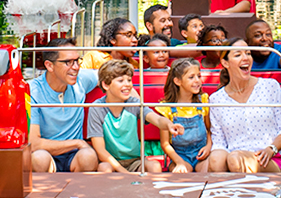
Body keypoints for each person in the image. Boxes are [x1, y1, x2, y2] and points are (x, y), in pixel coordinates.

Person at [86, 60, 180, 172]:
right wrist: (123, 172)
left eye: (129, 80)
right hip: (111, 161)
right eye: (121, 81)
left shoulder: (134, 103)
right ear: (106, 85)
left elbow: (156, 119)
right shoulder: (97, 108)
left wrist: (169, 125)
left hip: (135, 160)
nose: (127, 84)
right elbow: (100, 150)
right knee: (104, 168)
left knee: (154, 166)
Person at [207, 40, 281, 174]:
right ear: (225, 63)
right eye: (238, 55)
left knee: (236, 159)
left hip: (269, 156)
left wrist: (271, 149)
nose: (245, 58)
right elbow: (219, 142)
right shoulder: (216, 99)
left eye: (248, 53)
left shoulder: (270, 86)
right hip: (232, 156)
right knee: (217, 158)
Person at [27, 39, 100, 172]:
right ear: (50, 66)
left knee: (89, 156)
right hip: (47, 155)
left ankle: (76, 192)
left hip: (74, 157)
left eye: (77, 61)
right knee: (39, 158)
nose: (76, 67)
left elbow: (113, 76)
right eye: (68, 62)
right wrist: (78, 143)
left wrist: (138, 102)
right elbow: (34, 144)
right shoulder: (32, 91)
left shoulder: (81, 80)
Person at [158, 59, 210, 173]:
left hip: (201, 154)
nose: (197, 81)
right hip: (179, 155)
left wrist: (208, 146)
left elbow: (209, 129)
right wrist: (179, 162)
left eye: (198, 76)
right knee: (182, 173)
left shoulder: (204, 101)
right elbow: (165, 143)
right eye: (191, 77)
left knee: (208, 171)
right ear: (177, 81)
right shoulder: (167, 108)